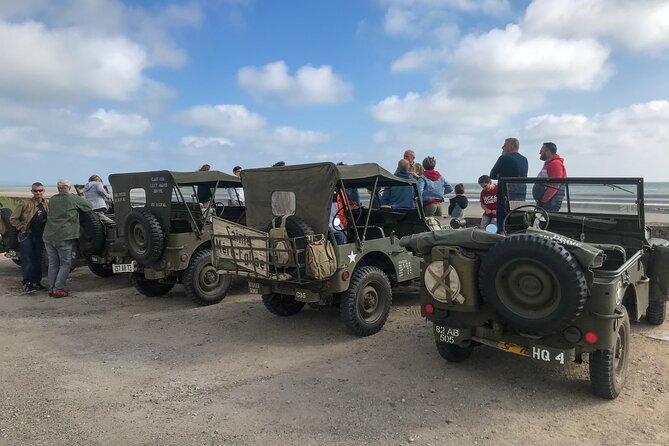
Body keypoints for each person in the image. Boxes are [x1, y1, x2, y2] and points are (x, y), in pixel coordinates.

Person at [43, 179, 92, 298]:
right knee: (65, 264)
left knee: (53, 263)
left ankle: (52, 287)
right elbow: (88, 206)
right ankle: (59, 288)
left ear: (58, 189)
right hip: (64, 236)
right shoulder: (72, 198)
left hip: (48, 235)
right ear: (69, 188)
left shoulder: (53, 199)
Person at [9, 182, 49, 292]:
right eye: (35, 191)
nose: (38, 193)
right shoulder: (25, 204)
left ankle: (36, 282)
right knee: (27, 259)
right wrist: (22, 227)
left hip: (40, 235)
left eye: (40, 190)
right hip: (26, 235)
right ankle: (27, 283)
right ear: (32, 191)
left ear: (43, 191)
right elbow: (13, 218)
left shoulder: (46, 203)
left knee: (38, 259)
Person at [489, 137, 528, 232]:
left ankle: (501, 233)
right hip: (520, 193)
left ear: (510, 147)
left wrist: (500, 175)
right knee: (516, 217)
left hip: (506, 193)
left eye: (504, 146)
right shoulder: (524, 159)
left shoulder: (504, 158)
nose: (502, 148)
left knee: (502, 221)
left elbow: (492, 175)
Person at [532, 142, 567, 211]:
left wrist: (544, 201)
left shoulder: (555, 164)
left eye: (541, 151)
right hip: (546, 202)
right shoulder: (549, 164)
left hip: (550, 202)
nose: (540, 153)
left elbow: (555, 185)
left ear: (547, 151)